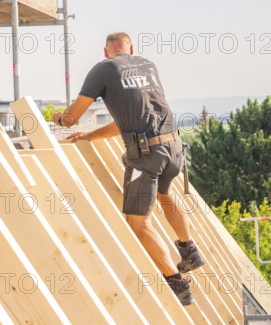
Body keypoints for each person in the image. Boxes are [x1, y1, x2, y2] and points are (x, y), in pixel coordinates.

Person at [52, 32, 204, 306]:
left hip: (146, 157)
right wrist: (91, 135)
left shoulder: (104, 69)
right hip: (173, 148)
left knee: (138, 223)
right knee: (165, 196)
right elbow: (131, 120)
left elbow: (72, 116)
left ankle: (176, 281)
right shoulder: (147, 65)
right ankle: (188, 248)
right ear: (131, 48)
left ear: (105, 51)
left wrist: (60, 119)